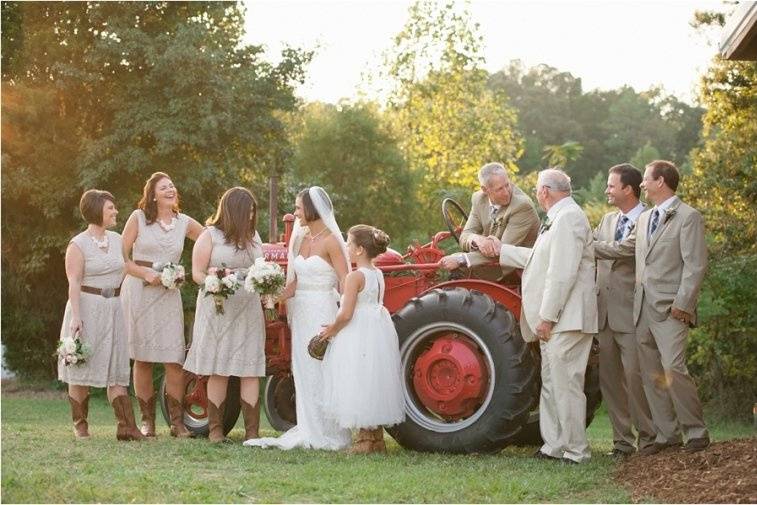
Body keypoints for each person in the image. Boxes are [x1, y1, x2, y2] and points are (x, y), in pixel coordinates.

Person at [595, 160, 709, 454]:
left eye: (646, 179)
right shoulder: (646, 219)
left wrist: (683, 304)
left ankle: (695, 431)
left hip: (671, 308)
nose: (643, 184)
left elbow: (695, 266)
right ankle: (667, 435)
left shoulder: (688, 217)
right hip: (640, 309)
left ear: (661, 182)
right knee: (649, 375)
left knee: (674, 367)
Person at [490, 168, 597, 464]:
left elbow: (562, 273)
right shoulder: (557, 219)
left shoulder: (570, 218)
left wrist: (547, 317)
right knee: (551, 384)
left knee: (567, 385)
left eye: (537, 188)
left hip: (567, 317)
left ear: (546, 191)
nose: (536, 193)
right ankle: (554, 445)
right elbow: (538, 258)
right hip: (558, 319)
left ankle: (576, 451)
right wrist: (501, 250)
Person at [244, 187, 351, 451]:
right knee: (303, 369)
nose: (295, 212)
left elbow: (345, 280)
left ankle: (330, 432)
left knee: (323, 369)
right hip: (301, 311)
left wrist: (341, 317)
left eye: (299, 208)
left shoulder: (331, 241)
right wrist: (272, 297)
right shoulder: (300, 239)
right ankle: (309, 427)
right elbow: (294, 284)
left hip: (323, 309)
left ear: (312, 209)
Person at [121, 172, 204, 438]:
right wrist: (144, 274)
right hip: (140, 292)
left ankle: (177, 423)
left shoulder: (184, 222)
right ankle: (147, 422)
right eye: (164, 187)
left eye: (172, 185)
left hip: (169, 295)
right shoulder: (138, 218)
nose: (170, 189)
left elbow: (209, 241)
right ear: (153, 194)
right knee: (143, 359)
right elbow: (120, 257)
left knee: (174, 359)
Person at [58, 189, 145, 441]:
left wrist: (150, 275)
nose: (115, 211)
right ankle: (80, 425)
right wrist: (76, 316)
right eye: (110, 208)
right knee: (81, 364)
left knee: (117, 365)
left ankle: (126, 427)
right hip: (86, 307)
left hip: (114, 307)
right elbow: (73, 282)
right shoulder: (78, 244)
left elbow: (125, 266)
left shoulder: (117, 240)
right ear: (97, 211)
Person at [183, 187, 266, 443]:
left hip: (248, 309)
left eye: (254, 211)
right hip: (218, 308)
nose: (252, 215)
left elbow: (260, 268)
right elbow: (196, 273)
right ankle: (216, 430)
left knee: (250, 368)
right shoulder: (210, 236)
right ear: (234, 211)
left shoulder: (254, 237)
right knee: (218, 368)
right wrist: (214, 279)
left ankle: (252, 432)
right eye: (248, 210)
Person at [319, 225, 405, 454]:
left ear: (358, 250)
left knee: (356, 379)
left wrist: (332, 330)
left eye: (348, 243)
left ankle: (364, 441)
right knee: (372, 380)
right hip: (376, 328)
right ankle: (375, 438)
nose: (345, 247)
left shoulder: (353, 277)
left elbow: (346, 314)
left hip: (357, 330)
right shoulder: (377, 273)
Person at [594, 163, 656, 457]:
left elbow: (624, 250)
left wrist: (587, 246)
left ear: (627, 189)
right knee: (610, 383)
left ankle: (648, 439)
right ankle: (621, 444)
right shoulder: (607, 219)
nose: (607, 190)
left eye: (610, 185)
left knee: (636, 380)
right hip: (603, 314)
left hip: (631, 315)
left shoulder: (647, 219)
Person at [440, 162, 539, 281]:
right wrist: (477, 239)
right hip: (489, 262)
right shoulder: (478, 199)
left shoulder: (522, 206)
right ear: (485, 190)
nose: (507, 192)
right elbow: (465, 236)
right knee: (447, 269)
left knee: (455, 268)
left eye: (507, 185)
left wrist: (461, 259)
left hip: (516, 270)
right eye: (499, 189)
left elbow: (503, 251)